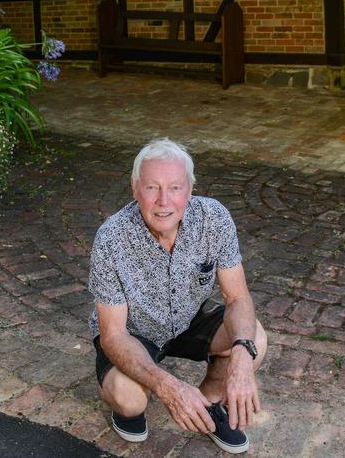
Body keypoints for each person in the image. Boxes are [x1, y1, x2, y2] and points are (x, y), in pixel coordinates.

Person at [88, 138, 267, 454]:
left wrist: (241, 355)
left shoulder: (214, 218)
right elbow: (113, 335)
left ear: (191, 188)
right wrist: (169, 387)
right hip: (134, 331)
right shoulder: (111, 238)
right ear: (134, 189)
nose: (163, 200)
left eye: (174, 187)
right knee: (129, 399)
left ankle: (209, 402)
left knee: (254, 341)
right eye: (152, 187)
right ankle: (135, 399)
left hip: (188, 317)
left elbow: (238, 297)